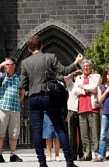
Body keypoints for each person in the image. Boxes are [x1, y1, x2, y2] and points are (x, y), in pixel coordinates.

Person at [20, 35, 83, 167]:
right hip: (49, 96)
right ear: (41, 46)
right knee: (60, 128)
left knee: (37, 130)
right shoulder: (49, 57)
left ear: (29, 49)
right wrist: (76, 62)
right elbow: (64, 71)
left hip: (33, 98)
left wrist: (26, 93)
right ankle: (69, 162)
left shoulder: (25, 63)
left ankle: (42, 162)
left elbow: (23, 84)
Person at [0, 57, 24, 163]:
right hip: (3, 108)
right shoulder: (2, 76)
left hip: (15, 109)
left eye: (7, 64)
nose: (5, 66)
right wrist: (1, 65)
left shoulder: (19, 77)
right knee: (0, 132)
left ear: (13, 65)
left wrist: (18, 101)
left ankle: (13, 155)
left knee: (14, 133)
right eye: (5, 64)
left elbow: (22, 92)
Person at [73, 60, 100, 161]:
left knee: (95, 133)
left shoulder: (96, 76)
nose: (86, 68)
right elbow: (75, 91)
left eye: (88, 66)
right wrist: (86, 90)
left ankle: (97, 153)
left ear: (91, 67)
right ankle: (87, 154)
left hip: (93, 108)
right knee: (84, 134)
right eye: (84, 66)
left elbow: (94, 87)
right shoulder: (78, 78)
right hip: (81, 108)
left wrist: (82, 87)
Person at [64, 70, 82, 161]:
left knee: (82, 133)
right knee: (72, 133)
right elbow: (66, 78)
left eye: (80, 75)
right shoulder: (71, 84)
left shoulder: (83, 85)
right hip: (72, 110)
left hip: (82, 110)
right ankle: (73, 153)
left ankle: (81, 152)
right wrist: (73, 72)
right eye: (76, 76)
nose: (77, 77)